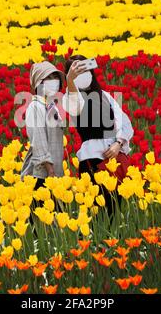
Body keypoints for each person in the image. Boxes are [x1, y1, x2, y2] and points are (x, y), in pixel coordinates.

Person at [62, 55, 134, 217]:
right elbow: (74, 106)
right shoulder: (72, 97)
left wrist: (118, 143)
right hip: (92, 161)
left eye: (85, 70)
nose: (82, 75)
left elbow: (124, 122)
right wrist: (70, 81)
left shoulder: (106, 96)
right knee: (98, 209)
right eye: (76, 72)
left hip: (114, 157)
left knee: (116, 208)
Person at [20, 61, 66, 189]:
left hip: (54, 173)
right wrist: (50, 170)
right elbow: (39, 141)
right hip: (42, 175)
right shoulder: (35, 106)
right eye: (49, 78)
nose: (54, 81)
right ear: (39, 83)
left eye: (55, 77)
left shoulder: (51, 106)